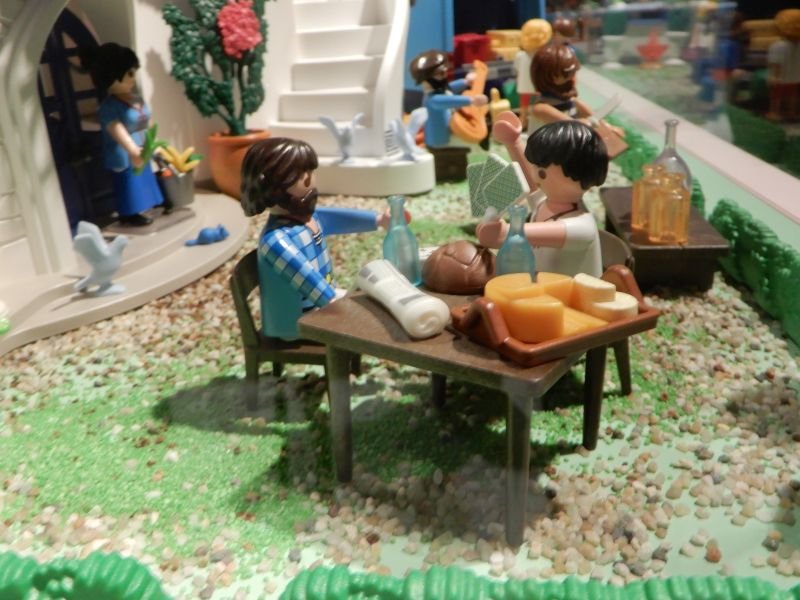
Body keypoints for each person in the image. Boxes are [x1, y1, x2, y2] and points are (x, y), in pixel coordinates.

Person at [240, 137, 396, 340]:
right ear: (273, 186)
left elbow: (341, 218)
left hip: (323, 302)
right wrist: (340, 303)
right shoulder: (276, 242)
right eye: (301, 175)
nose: (310, 181)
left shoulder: (309, 219)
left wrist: (379, 220)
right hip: (296, 322)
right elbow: (307, 280)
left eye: (311, 172)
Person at [476, 121, 607, 277]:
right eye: (536, 165)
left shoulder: (581, 227)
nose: (535, 174)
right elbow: (532, 184)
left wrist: (502, 233)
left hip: (571, 292)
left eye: (542, 172)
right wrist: (513, 142)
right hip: (540, 284)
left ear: (579, 173)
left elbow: (513, 235)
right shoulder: (545, 204)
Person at [80, 43, 164, 226]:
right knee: (129, 181)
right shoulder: (109, 107)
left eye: (133, 72)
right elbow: (116, 129)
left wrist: (154, 142)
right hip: (125, 151)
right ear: (112, 76)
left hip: (143, 145)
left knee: (145, 177)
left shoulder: (136, 99)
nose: (133, 78)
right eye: (129, 74)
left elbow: (148, 122)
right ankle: (130, 213)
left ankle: (149, 204)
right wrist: (132, 149)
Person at [529, 43, 625, 138]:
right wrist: (590, 122)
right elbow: (572, 125)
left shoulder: (572, 101)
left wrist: (609, 127)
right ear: (550, 77)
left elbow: (594, 116)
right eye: (567, 74)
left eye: (573, 73)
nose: (572, 78)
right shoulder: (541, 108)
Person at [409, 50, 488, 148]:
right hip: (440, 138)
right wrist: (471, 100)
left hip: (450, 128)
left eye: (444, 72)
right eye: (441, 74)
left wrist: (465, 82)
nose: (445, 76)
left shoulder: (440, 89)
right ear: (425, 79)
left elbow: (449, 89)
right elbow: (446, 101)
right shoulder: (432, 99)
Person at [513, 19, 553, 131]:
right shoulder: (545, 54)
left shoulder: (520, 55)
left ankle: (523, 119)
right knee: (541, 101)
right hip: (539, 83)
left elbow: (517, 69)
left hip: (524, 83)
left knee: (524, 103)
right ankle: (538, 119)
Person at [766, 8, 800, 121]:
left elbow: (776, 63)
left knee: (776, 97)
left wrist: (774, 77)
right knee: (793, 96)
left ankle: (774, 112)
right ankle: (792, 113)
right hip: (796, 78)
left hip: (780, 79)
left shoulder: (777, 46)